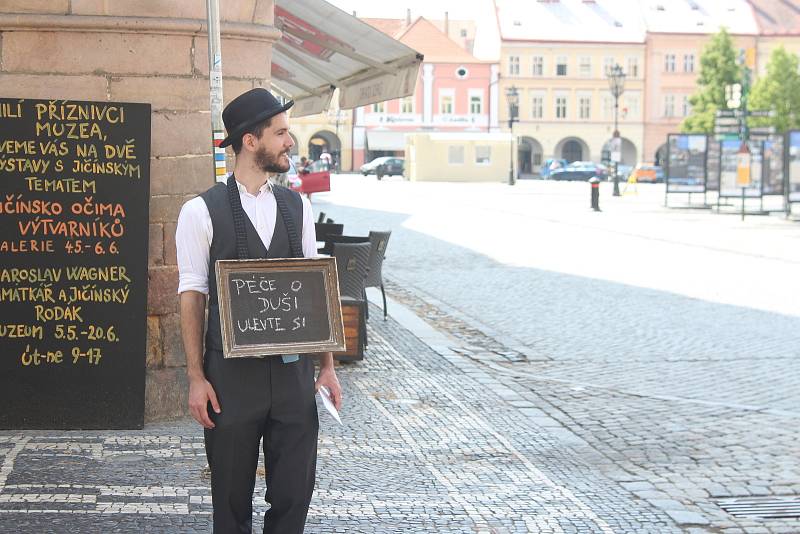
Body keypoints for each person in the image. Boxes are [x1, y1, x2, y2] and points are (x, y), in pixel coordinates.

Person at [176, 88, 342, 534]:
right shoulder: (199, 211)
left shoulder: (297, 207)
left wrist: (326, 368)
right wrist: (195, 378)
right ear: (250, 141)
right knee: (230, 501)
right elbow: (191, 294)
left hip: (292, 379)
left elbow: (317, 289)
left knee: (294, 495)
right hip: (230, 380)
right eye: (282, 133)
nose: (291, 142)